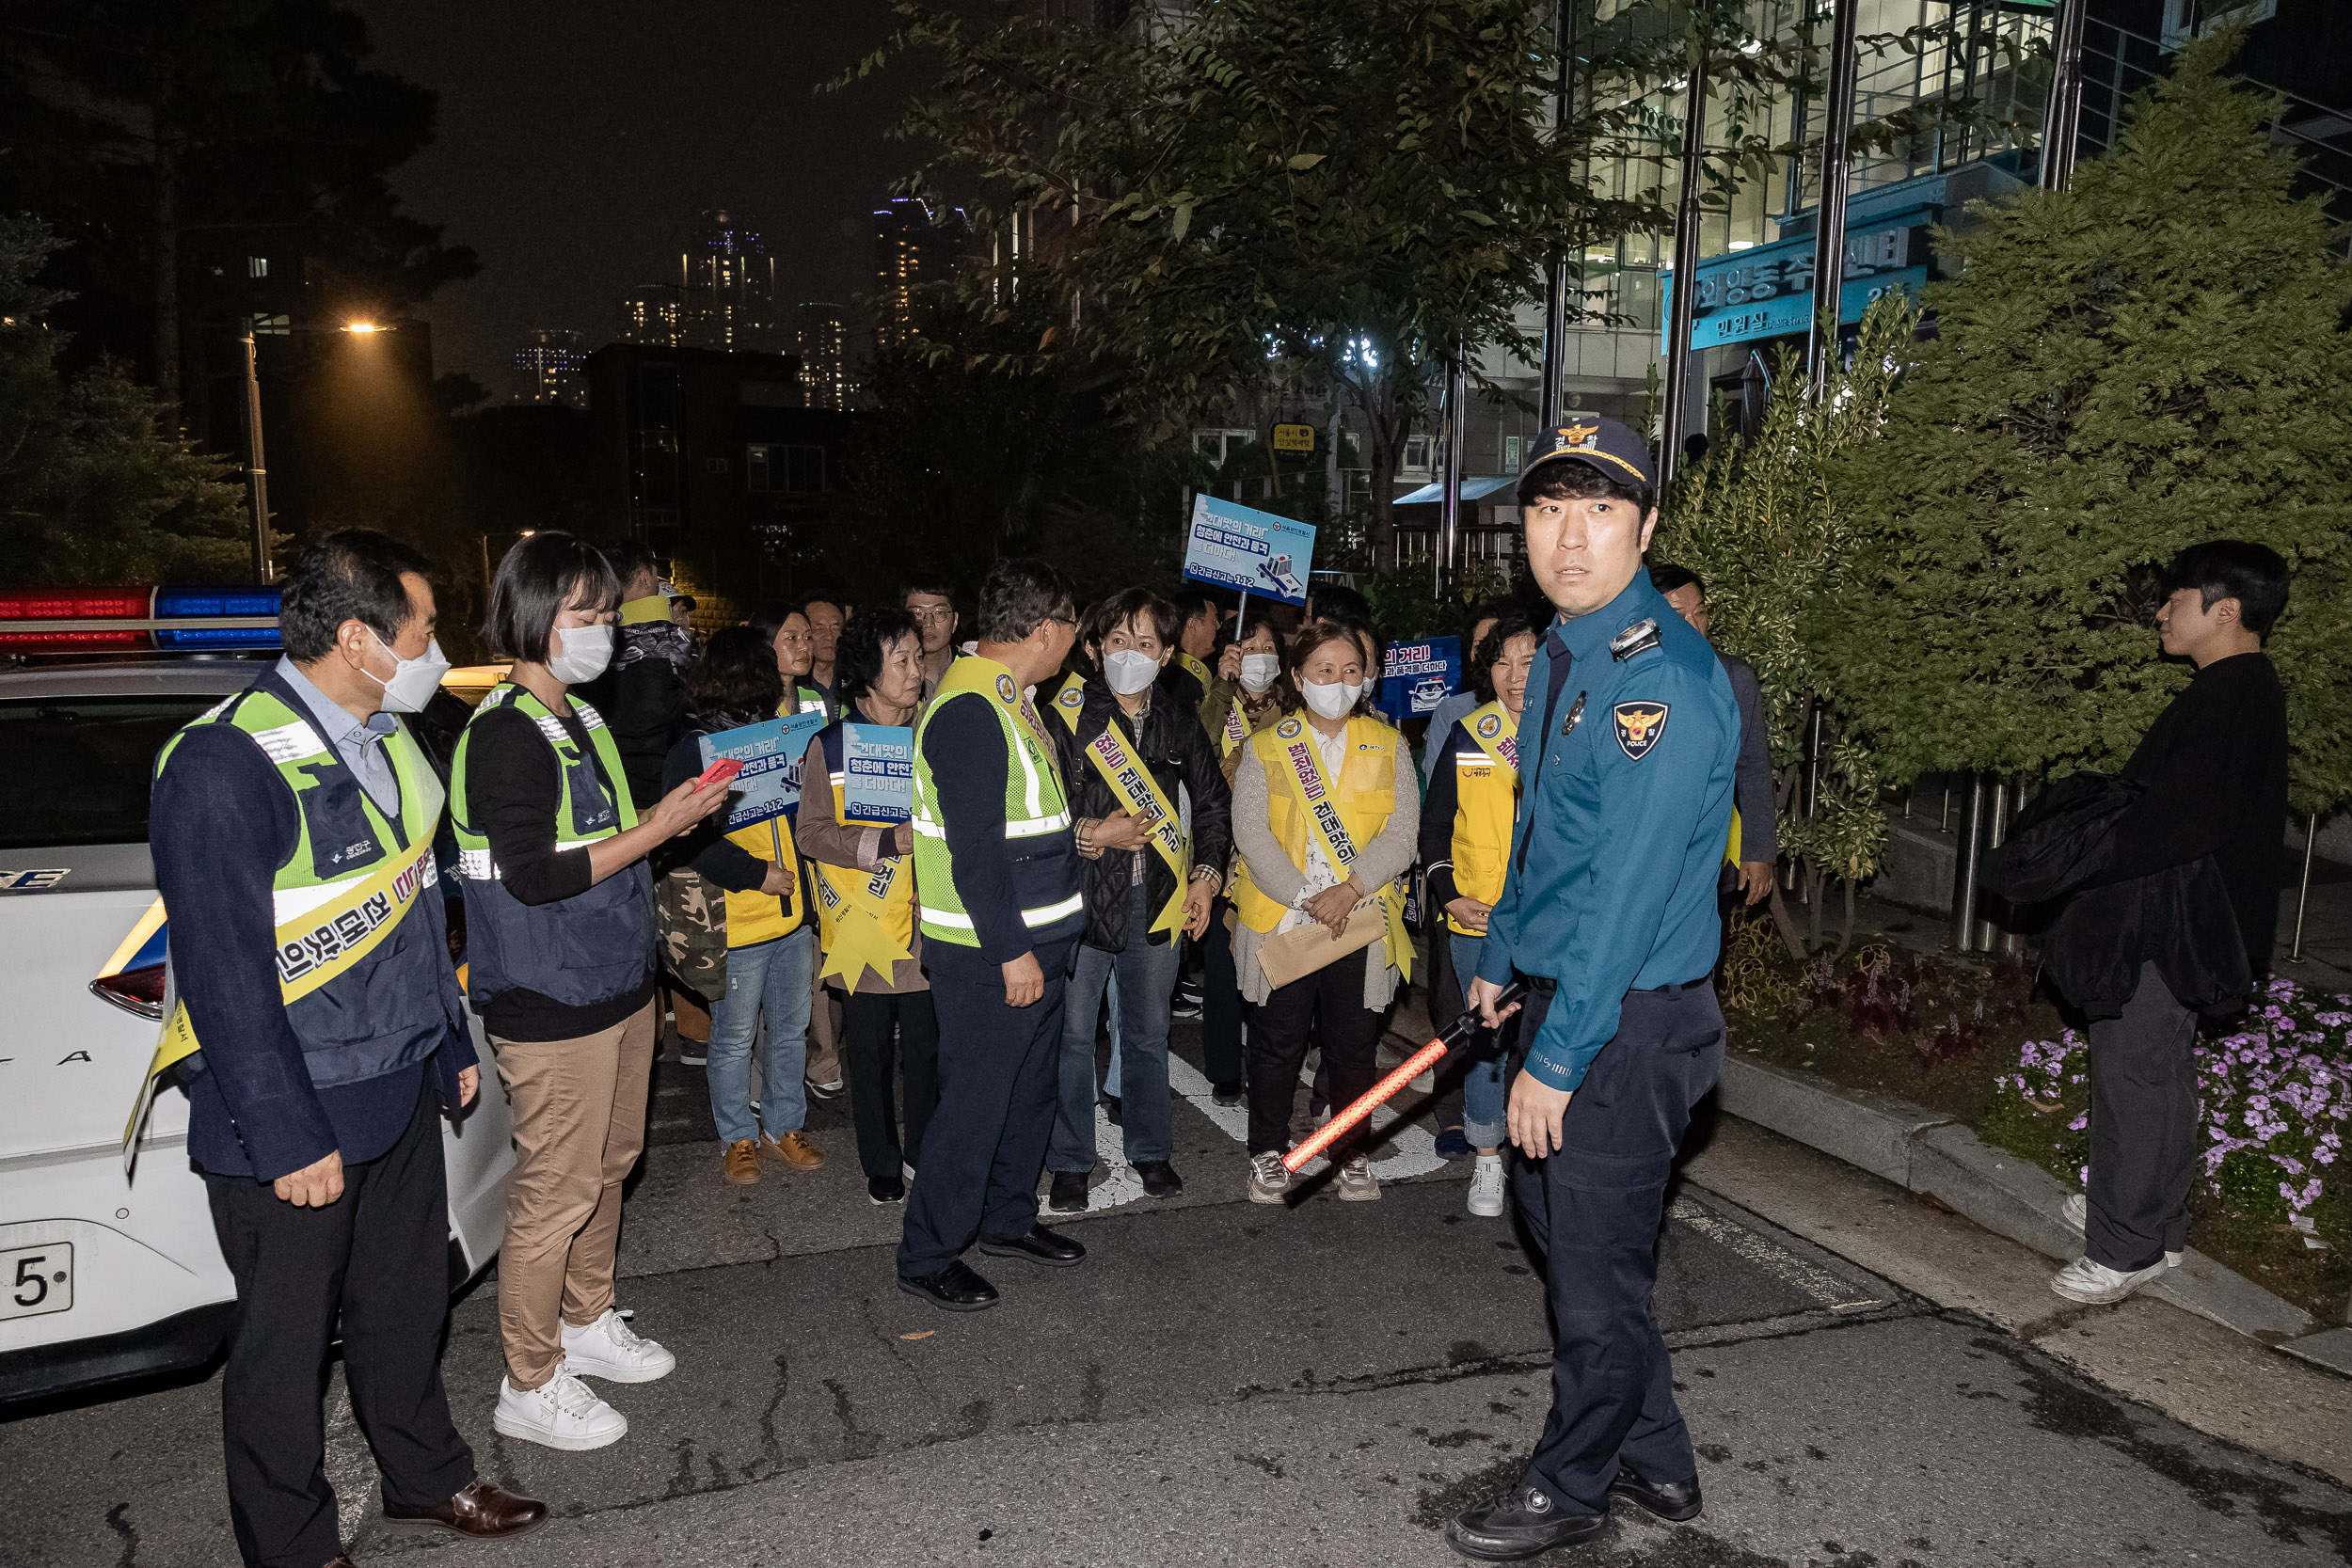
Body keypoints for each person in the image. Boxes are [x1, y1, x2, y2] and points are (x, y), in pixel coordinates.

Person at [151, 531, 547, 1568]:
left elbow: (416, 902)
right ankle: (291, 1543)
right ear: (362, 639)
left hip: (396, 1083)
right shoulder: (222, 759)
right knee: (284, 1351)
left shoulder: (390, 738)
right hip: (292, 1112)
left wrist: (444, 1038)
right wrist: (285, 1135)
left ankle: (424, 1477)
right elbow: (225, 975)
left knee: (405, 1309)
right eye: (422, 629)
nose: (435, 647)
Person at [1445, 418, 1738, 1560]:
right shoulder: (1564, 647)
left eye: (1601, 510)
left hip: (1625, 1019)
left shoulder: (1651, 678)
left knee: (1591, 1272)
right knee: (1565, 1236)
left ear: (1647, 526)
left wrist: (1558, 1056)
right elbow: (1543, 842)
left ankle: (1571, 1483)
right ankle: (1656, 1455)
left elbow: (1622, 891)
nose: (1570, 537)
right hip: (1570, 992)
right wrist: (1498, 956)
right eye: (1549, 511)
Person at [451, 531, 733, 1452]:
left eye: (609, 612)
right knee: (555, 1189)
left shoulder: (583, 717)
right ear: (534, 618)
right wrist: (659, 827)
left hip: (611, 982)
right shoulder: (503, 732)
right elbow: (534, 873)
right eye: (586, 613)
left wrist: (673, 817)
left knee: (609, 1167)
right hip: (547, 993)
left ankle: (585, 1318)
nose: (604, 629)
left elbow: (616, 841)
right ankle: (528, 1378)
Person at [2049, 541, 2291, 1307]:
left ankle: (2125, 1248)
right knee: (2160, 1069)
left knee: (2135, 1071)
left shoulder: (2231, 693)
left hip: (2175, 918)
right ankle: (2157, 1222)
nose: (2159, 611)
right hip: (2196, 919)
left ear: (2225, 610)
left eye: (2175, 598)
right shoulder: (2242, 688)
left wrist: (2091, 850)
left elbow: (2184, 819)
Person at [898, 558, 1089, 1310]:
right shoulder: (972, 710)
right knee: (975, 1105)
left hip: (1037, 948)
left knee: (1026, 1096)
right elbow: (975, 853)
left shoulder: (1008, 699)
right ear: (1043, 628)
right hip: (990, 955)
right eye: (1070, 628)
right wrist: (1012, 951)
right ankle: (929, 1252)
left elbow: (1031, 825)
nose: (1072, 644)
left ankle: (1008, 1218)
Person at [1043, 589, 1233, 1211]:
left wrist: (1206, 877)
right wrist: (1091, 833)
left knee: (1149, 1034)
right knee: (1073, 1036)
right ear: (1095, 647)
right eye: (1119, 641)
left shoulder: (1179, 718)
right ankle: (1070, 1158)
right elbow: (1036, 813)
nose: (1131, 653)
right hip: (1077, 905)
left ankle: (1150, 1151)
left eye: (1146, 644)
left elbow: (1210, 804)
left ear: (1168, 653)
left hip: (1158, 900)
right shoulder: (1064, 716)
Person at [1230, 619, 1420, 1206]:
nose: (1338, 682)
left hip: (1359, 917)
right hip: (1286, 918)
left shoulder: (1389, 744)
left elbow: (1402, 832)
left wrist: (1348, 889)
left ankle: (1350, 1151)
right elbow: (1251, 833)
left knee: (1353, 1047)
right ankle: (1267, 1148)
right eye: (1324, 671)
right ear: (1298, 677)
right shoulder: (1266, 745)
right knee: (1277, 1042)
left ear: (1366, 679)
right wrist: (1307, 895)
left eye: (1351, 671)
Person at [660, 627, 824, 1186]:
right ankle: (737, 1137)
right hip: (737, 919)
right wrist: (759, 875)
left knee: (789, 1028)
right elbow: (686, 837)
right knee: (732, 1038)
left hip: (792, 914)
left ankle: (786, 1126)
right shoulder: (697, 747)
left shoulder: (775, 737)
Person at [800, 606, 940, 1205]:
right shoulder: (831, 747)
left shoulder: (935, 734)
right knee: (871, 1052)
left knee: (930, 1051)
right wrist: (883, 841)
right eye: (900, 659)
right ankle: (880, 1158)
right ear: (868, 674)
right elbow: (810, 833)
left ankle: (925, 1150)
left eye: (916, 656)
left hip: (931, 923)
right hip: (864, 928)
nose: (915, 669)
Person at [1418, 606, 1538, 1219]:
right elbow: (1434, 826)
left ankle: (1546, 1159)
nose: (1515, 675)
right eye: (1502, 663)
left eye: (1528, 660)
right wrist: (1448, 892)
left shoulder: (1576, 734)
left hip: (1550, 924)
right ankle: (1487, 1156)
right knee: (1485, 1041)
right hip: (1478, 922)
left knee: (1543, 1038)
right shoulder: (1471, 733)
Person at [1200, 613, 1294, 1104]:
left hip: (1277, 857)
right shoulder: (1217, 702)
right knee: (1221, 969)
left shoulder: (1295, 708)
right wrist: (1220, 686)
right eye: (1247, 647)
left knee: (1272, 971)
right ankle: (1223, 1069)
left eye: (1266, 647)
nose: (1258, 657)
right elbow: (1195, 747)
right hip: (1222, 854)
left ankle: (1267, 1063)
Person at [1650, 563, 1777, 911]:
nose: (1694, 625)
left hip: (1710, 857)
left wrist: (1759, 851)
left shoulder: (1734, 678)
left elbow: (1752, 768)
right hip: (1641, 857)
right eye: (1678, 615)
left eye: (1700, 612)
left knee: (1706, 960)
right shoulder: (1628, 680)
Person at [580, 540, 690, 810]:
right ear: (644, 576)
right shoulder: (672, 641)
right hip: (661, 786)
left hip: (605, 781)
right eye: (655, 573)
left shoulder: (592, 640)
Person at [1167, 585, 1225, 734]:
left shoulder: (1188, 671)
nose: (1219, 626)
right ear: (1193, 625)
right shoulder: (1174, 676)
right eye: (1214, 620)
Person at [905, 577, 962, 700]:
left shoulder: (971, 668)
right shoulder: (889, 675)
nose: (928, 623)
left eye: (939, 612)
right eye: (917, 613)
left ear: (955, 621)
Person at [802, 589, 850, 707]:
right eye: (819, 629)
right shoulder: (789, 687)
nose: (829, 636)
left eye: (836, 628)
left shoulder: (855, 683)